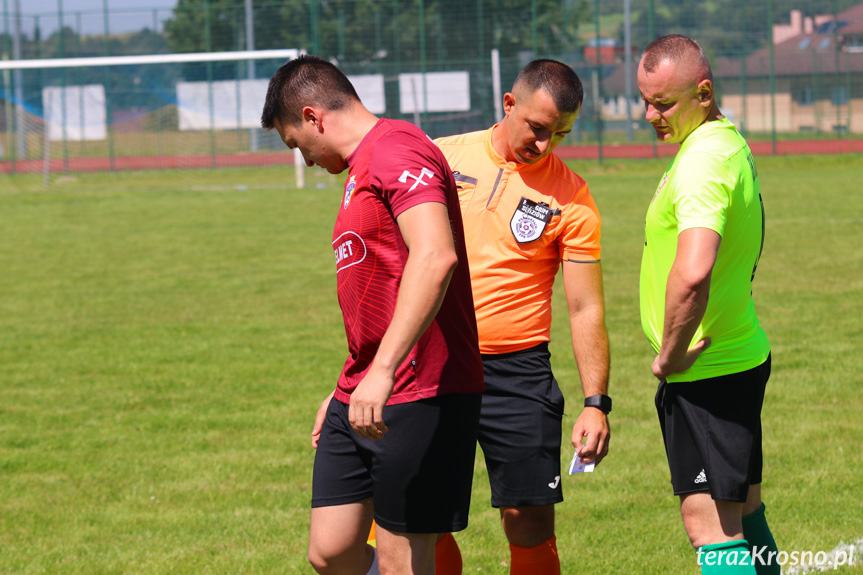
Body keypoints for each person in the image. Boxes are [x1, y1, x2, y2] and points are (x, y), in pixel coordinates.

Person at [261, 55, 484, 575]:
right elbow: (380, 292)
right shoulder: (361, 166)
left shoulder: (395, 149)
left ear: (314, 116)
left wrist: (381, 373)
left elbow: (435, 256)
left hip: (421, 390)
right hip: (364, 385)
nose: (306, 159)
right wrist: (349, 386)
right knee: (331, 550)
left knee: (402, 559)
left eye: (297, 144)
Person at [434, 59, 611, 575]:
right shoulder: (442, 158)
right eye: (537, 128)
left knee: (528, 519)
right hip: (435, 362)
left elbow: (586, 306)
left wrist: (596, 403)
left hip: (519, 371)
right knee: (419, 512)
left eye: (561, 134)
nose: (545, 145)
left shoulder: (573, 198)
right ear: (509, 104)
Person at [636, 35, 779, 575]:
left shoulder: (702, 161)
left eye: (664, 103)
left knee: (712, 530)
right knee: (745, 508)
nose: (650, 114)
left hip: (706, 372)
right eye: (645, 100)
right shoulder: (721, 141)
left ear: (703, 92)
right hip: (736, 355)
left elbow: (693, 272)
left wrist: (671, 354)